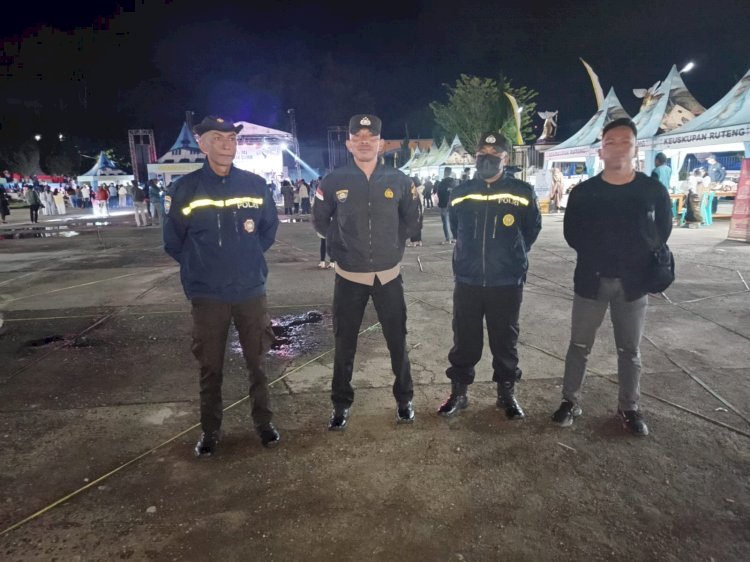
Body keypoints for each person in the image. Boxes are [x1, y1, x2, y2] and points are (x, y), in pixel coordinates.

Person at [164, 115, 280, 457]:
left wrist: (246, 260)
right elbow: (173, 242)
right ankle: (210, 430)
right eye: (218, 138)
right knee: (210, 367)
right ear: (202, 144)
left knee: (258, 363)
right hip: (208, 296)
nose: (227, 144)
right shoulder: (185, 189)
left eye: (231, 138)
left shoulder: (255, 185)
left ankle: (264, 424)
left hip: (250, 292)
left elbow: (267, 231)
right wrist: (203, 268)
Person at [551, 118, 672, 436]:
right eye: (610, 142)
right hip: (591, 281)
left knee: (629, 350)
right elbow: (572, 234)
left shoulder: (652, 191)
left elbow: (662, 231)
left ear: (636, 148)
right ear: (600, 151)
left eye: (625, 141)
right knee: (579, 345)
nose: (618, 147)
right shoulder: (584, 192)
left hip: (634, 284)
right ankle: (570, 401)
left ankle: (629, 408)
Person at [312, 113, 420, 430]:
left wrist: (392, 246)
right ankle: (340, 405)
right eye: (357, 138)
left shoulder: (399, 180)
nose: (363, 142)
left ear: (380, 143)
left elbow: (412, 220)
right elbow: (320, 221)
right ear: (348, 144)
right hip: (349, 277)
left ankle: (404, 400)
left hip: (389, 276)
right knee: (344, 345)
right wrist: (340, 247)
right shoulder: (333, 181)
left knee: (397, 342)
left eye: (370, 137)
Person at [437, 133, 542, 420]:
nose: (487, 157)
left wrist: (512, 254)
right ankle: (459, 394)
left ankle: (506, 394)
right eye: (483, 152)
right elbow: (456, 227)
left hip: (506, 280)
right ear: (475, 156)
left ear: (505, 158)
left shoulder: (522, 191)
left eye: (495, 153)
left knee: (505, 340)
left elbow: (531, 229)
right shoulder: (461, 192)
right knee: (464, 339)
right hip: (468, 279)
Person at [436, 167, 457, 244]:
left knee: (445, 221)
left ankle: (448, 238)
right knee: (453, 221)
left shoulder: (442, 183)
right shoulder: (454, 182)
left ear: (445, 172)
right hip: (453, 204)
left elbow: (439, 193)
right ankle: (454, 237)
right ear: (450, 172)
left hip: (443, 204)